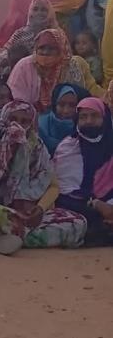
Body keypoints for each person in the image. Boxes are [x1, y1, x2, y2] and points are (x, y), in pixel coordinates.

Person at [0, 99, 87, 255]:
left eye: (25, 121)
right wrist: (7, 147)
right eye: (13, 119)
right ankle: (21, 235)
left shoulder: (36, 146)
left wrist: (40, 209)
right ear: (4, 119)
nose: (18, 125)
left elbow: (53, 186)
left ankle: (5, 236)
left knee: (77, 221)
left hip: (26, 213)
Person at [53, 97, 113, 241]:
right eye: (83, 117)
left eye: (95, 116)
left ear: (105, 118)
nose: (89, 121)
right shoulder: (68, 147)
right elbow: (64, 188)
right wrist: (95, 203)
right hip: (79, 203)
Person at [7, 26, 100, 113]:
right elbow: (16, 101)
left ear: (61, 50)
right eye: (42, 48)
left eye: (51, 48)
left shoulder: (70, 66)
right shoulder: (24, 66)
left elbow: (77, 100)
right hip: (27, 117)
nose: (45, 52)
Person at [0, 0, 56, 75]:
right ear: (30, 13)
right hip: (21, 73)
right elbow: (5, 54)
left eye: (43, 10)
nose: (39, 12)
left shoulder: (56, 35)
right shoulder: (20, 33)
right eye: (35, 9)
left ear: (50, 13)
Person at [37, 82, 85, 155]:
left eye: (72, 105)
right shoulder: (40, 127)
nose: (66, 110)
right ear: (54, 105)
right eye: (61, 104)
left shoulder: (84, 128)